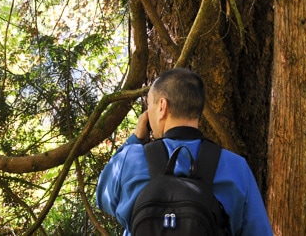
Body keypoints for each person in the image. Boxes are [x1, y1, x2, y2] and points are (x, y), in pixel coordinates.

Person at [96, 68, 273, 235]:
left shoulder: (129, 160)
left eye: (149, 104)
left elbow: (103, 199)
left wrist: (134, 140)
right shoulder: (235, 166)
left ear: (162, 106)